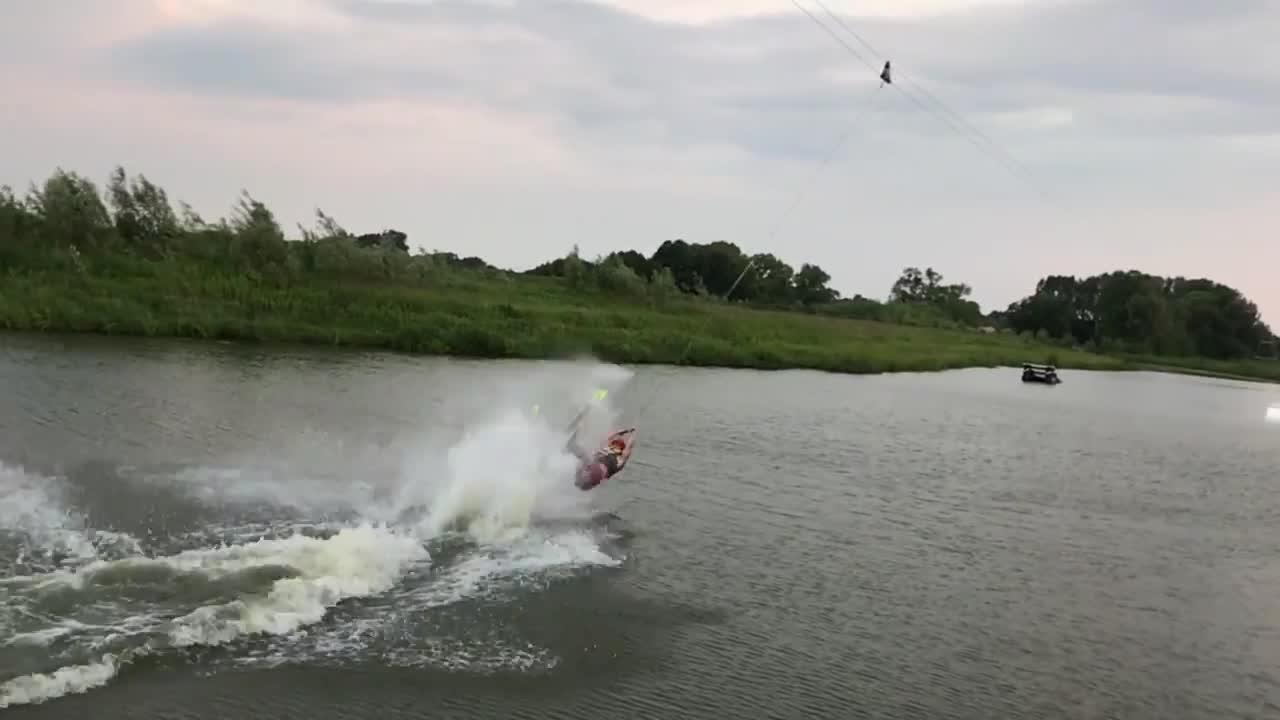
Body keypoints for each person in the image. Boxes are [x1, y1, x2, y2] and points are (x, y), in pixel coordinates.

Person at [571, 428, 635, 491]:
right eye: (614, 443)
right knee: (582, 462)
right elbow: (611, 437)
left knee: (585, 457)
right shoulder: (607, 448)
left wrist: (632, 434)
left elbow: (628, 448)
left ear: (620, 448)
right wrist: (623, 431)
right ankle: (578, 480)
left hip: (595, 475)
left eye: (617, 444)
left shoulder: (619, 459)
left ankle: (571, 446)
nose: (614, 445)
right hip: (590, 474)